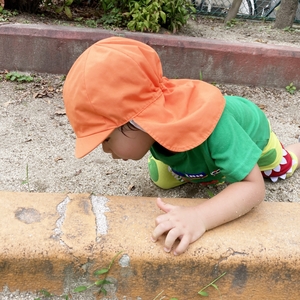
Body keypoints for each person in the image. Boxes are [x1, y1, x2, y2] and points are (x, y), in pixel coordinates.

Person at [63, 37, 300, 256]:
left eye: (106, 139)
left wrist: (200, 217)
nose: (105, 150)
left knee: (280, 168)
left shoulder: (218, 125)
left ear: (139, 120)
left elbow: (253, 189)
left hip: (251, 137)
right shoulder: (152, 130)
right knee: (162, 178)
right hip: (201, 145)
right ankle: (215, 168)